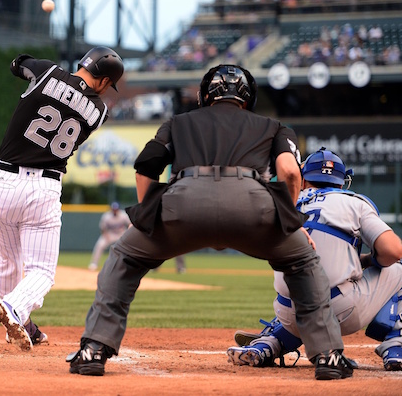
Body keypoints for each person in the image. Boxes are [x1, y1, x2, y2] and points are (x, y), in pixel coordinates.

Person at [66, 64, 351, 380]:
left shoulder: (178, 122)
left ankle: (94, 349)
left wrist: (146, 218)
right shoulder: (274, 126)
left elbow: (146, 166)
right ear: (248, 98)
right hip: (253, 206)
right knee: (303, 263)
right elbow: (290, 172)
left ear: (205, 95)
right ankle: (328, 356)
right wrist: (291, 222)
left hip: (184, 203)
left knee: (124, 256)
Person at [0, 46, 124, 351]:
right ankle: (14, 311)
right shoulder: (99, 112)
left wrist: (29, 68)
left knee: (8, 261)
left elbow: (17, 64)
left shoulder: (47, 71)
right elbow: (79, 96)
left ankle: (18, 324)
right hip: (43, 187)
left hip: (2, 181)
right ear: (104, 81)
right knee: (42, 272)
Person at [227, 147, 402, 371]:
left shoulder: (286, 203)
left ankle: (268, 343)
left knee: (302, 286)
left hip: (288, 312)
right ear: (342, 182)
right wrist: (369, 261)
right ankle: (397, 347)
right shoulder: (355, 202)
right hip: (341, 312)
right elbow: (393, 250)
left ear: (303, 179)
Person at [88, 202, 131, 271]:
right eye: (113, 209)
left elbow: (129, 224)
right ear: (111, 209)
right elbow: (103, 228)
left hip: (121, 233)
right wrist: (106, 236)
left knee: (129, 247)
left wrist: (127, 235)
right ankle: (94, 263)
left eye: (116, 209)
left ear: (118, 209)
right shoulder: (106, 216)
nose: (114, 210)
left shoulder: (123, 215)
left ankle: (129, 266)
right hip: (109, 234)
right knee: (100, 245)